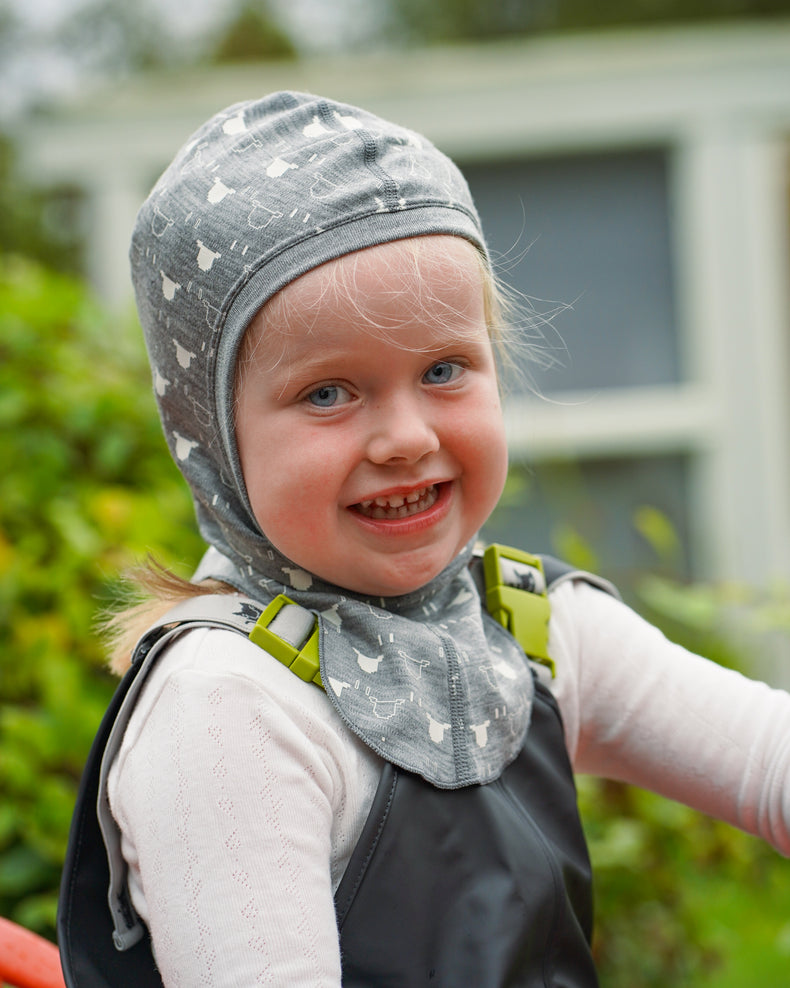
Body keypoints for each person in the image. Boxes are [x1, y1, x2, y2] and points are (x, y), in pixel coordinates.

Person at [68, 92, 790, 986]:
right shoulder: (229, 710)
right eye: (328, 392)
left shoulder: (521, 627)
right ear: (210, 435)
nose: (407, 437)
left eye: (444, 370)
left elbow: (769, 763)